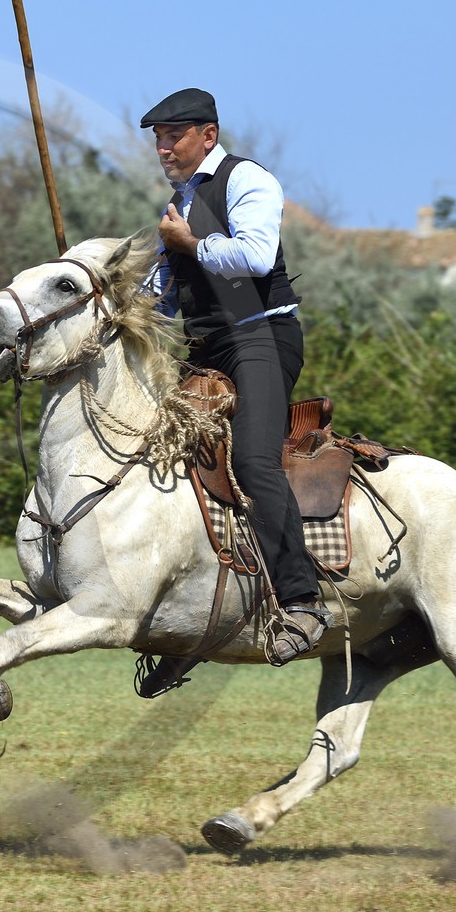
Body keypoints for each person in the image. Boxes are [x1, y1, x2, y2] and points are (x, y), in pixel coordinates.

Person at [141, 87, 329, 665]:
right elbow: (163, 298)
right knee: (155, 456)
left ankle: (302, 602)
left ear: (208, 136)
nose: (164, 147)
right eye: (158, 138)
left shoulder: (248, 181)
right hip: (206, 346)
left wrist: (187, 243)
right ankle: (190, 612)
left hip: (261, 339)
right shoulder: (180, 207)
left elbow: (253, 257)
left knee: (251, 461)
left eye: (175, 136)